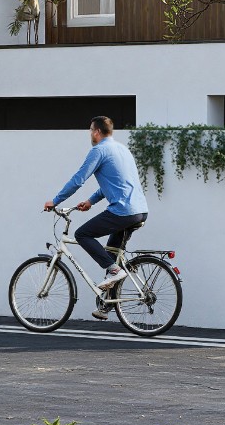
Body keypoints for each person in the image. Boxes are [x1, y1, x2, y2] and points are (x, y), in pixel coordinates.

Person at [44, 116, 148, 314]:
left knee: (82, 234)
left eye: (90, 130)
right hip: (140, 211)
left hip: (122, 211)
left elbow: (78, 180)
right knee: (110, 256)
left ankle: (115, 271)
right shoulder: (122, 150)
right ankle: (107, 305)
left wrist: (55, 201)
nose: (90, 134)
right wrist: (91, 201)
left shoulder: (98, 150)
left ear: (96, 131)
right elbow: (115, 183)